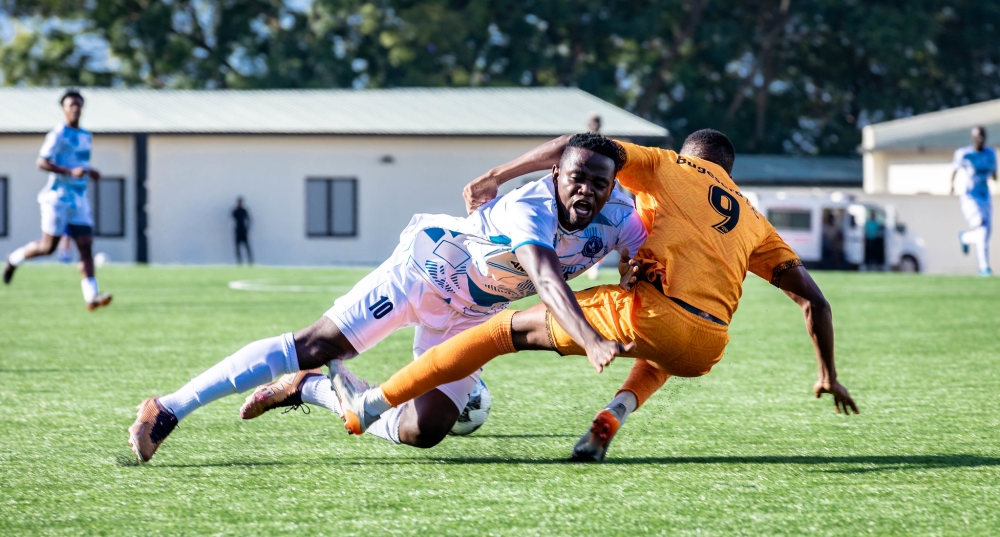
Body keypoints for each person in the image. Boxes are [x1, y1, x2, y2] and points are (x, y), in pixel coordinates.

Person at [331, 130, 858, 462]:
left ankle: (370, 404)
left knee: (498, 332)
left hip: (651, 314)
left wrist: (498, 175)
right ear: (730, 173)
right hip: (708, 347)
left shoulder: (667, 164)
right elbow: (817, 302)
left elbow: (575, 147)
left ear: (689, 156)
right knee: (663, 350)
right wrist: (827, 374)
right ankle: (613, 417)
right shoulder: (756, 219)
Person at [127, 133, 647, 462]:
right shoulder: (529, 208)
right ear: (556, 176)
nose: (586, 191)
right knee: (315, 344)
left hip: (472, 314)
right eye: (575, 178)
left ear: (611, 188)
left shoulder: (619, 215)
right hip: (422, 272)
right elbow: (547, 277)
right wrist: (591, 338)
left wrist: (638, 269)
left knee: (427, 431)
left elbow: (645, 249)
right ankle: (168, 408)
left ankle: (313, 392)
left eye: (598, 184)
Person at [3, 90, 112, 311]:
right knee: (48, 247)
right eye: (71, 105)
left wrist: (90, 172)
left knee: (85, 245)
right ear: (63, 108)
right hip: (57, 198)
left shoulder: (86, 136)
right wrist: (69, 171)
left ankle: (91, 297)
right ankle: (14, 258)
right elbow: (42, 162)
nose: (75, 108)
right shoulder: (58, 134)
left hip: (79, 200)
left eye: (78, 105)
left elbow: (79, 163)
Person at [950, 126, 997, 276]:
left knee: (986, 232)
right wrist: (951, 186)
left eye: (982, 136)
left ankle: (965, 237)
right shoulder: (965, 154)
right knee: (981, 227)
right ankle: (984, 268)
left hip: (985, 196)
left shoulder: (991, 153)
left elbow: (994, 173)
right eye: (977, 136)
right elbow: (954, 169)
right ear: (973, 138)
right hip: (970, 196)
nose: (980, 139)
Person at [232, 197, 253, 265]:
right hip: (238, 230)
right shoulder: (236, 211)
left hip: (243, 231)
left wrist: (247, 229)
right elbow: (233, 216)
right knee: (237, 247)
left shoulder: (244, 211)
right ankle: (239, 262)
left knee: (247, 247)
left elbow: (249, 219)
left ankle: (250, 261)